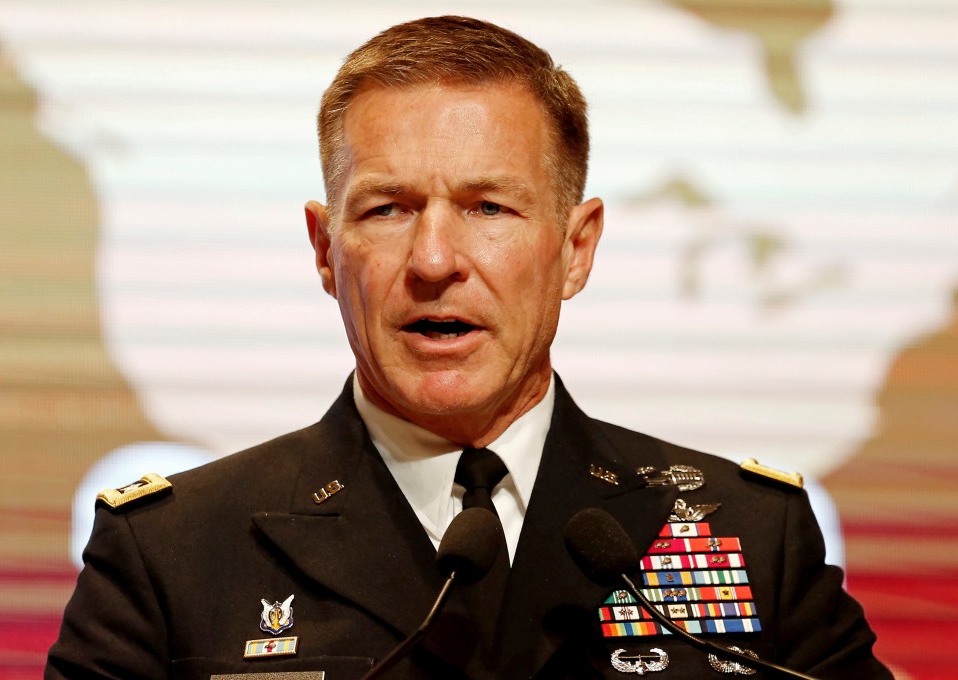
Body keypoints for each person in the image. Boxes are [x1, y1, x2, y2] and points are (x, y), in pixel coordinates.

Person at [46, 15, 892, 680]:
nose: (435, 261)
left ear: (576, 249)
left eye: (489, 208)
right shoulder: (172, 554)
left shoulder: (749, 537)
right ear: (324, 249)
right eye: (387, 209)